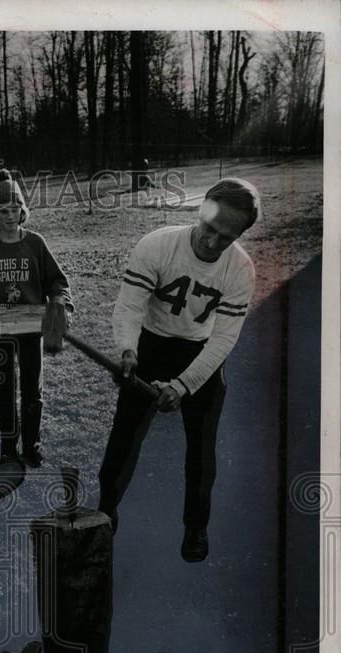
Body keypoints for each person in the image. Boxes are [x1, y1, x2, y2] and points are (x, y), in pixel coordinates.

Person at [98, 177, 260, 562]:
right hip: (151, 344)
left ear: (239, 234)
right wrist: (127, 350)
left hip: (200, 351)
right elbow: (130, 307)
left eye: (226, 237)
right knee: (125, 432)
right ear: (201, 210)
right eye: (210, 227)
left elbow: (223, 339)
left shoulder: (241, 269)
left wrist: (185, 384)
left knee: (202, 445)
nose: (212, 242)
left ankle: (195, 526)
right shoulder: (156, 245)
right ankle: (106, 511)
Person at [0, 168, 72, 466]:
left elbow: (56, 282)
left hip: (32, 328)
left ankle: (31, 447)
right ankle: (8, 448)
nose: (10, 215)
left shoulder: (35, 244)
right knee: (4, 388)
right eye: (3, 209)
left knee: (32, 389)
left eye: (15, 208)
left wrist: (59, 304)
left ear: (23, 210)